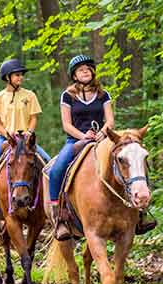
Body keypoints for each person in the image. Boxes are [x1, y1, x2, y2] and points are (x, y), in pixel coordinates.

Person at [0, 59, 51, 219]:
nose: (20, 78)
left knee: (48, 163)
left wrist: (29, 132)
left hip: (25, 141)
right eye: (17, 75)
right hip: (5, 140)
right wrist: (6, 133)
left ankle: (51, 203)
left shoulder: (29, 95)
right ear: (7, 77)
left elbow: (33, 118)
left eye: (21, 75)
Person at [48, 55, 114, 240]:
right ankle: (59, 217)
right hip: (75, 140)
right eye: (80, 69)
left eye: (87, 68)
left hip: (102, 139)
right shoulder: (67, 96)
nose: (85, 71)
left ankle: (138, 212)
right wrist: (83, 135)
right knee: (56, 170)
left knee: (127, 159)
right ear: (74, 76)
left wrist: (102, 132)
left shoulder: (104, 95)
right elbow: (66, 124)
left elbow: (110, 120)